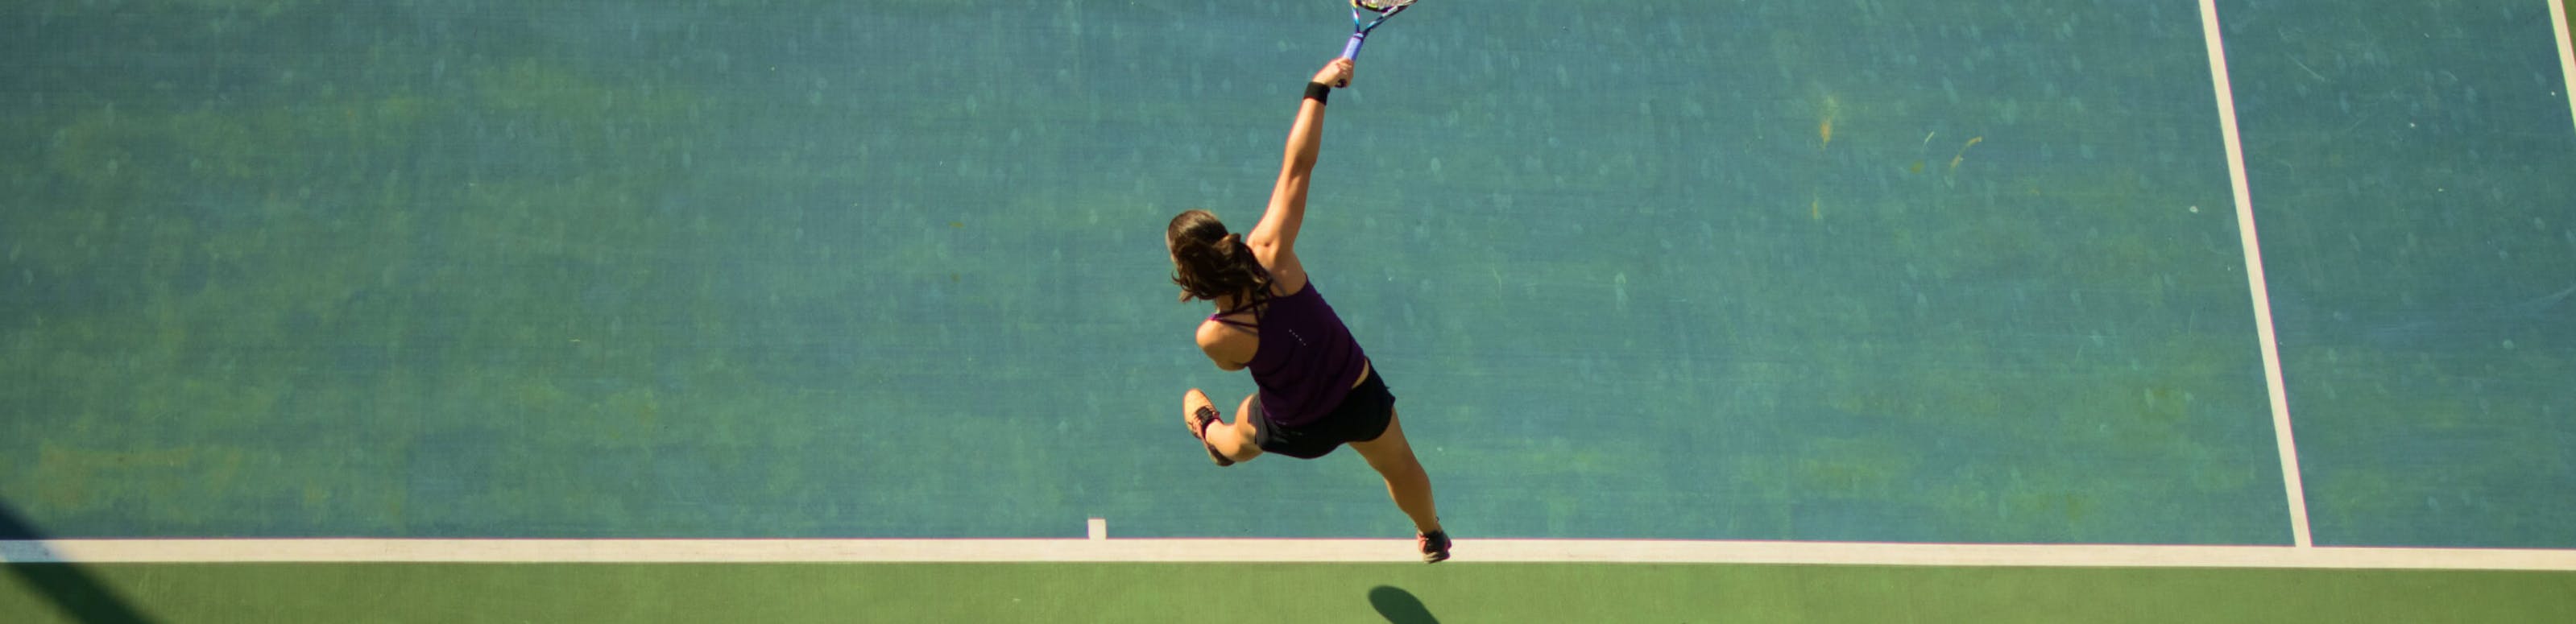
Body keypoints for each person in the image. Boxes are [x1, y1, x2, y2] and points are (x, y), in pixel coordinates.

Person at [1165, 58, 1448, 563]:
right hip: (1356, 394)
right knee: (1399, 465)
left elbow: (1235, 363)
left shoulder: (1213, 335)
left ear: (1189, 274)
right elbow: (1298, 166)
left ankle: (1210, 435)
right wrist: (1318, 88)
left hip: (1302, 427)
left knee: (1240, 435)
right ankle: (1432, 535)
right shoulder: (1271, 249)